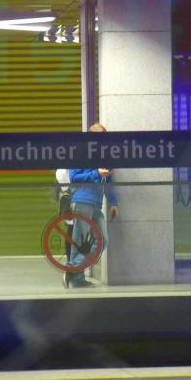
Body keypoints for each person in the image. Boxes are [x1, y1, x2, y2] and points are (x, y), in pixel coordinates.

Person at [63, 123, 119, 288]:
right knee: (79, 240)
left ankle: (73, 269)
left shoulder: (104, 155)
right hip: (82, 200)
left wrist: (113, 202)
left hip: (96, 203)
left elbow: (108, 180)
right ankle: (76, 277)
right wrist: (96, 173)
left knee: (102, 240)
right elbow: (74, 177)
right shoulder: (80, 152)